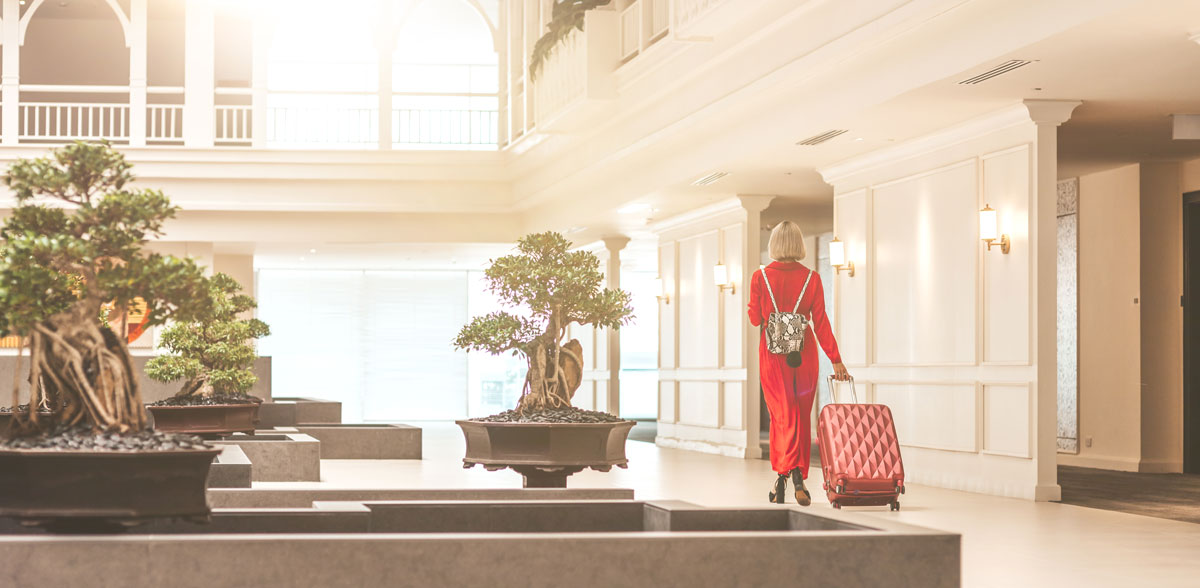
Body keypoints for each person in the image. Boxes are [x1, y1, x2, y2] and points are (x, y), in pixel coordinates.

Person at [747, 220, 850, 506]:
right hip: (804, 354)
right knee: (799, 417)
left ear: (774, 244)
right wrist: (836, 359)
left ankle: (785, 476)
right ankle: (795, 477)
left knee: (782, 416)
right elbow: (821, 322)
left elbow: (754, 318)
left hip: (773, 355)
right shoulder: (812, 278)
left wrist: (767, 309)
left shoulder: (759, 277)